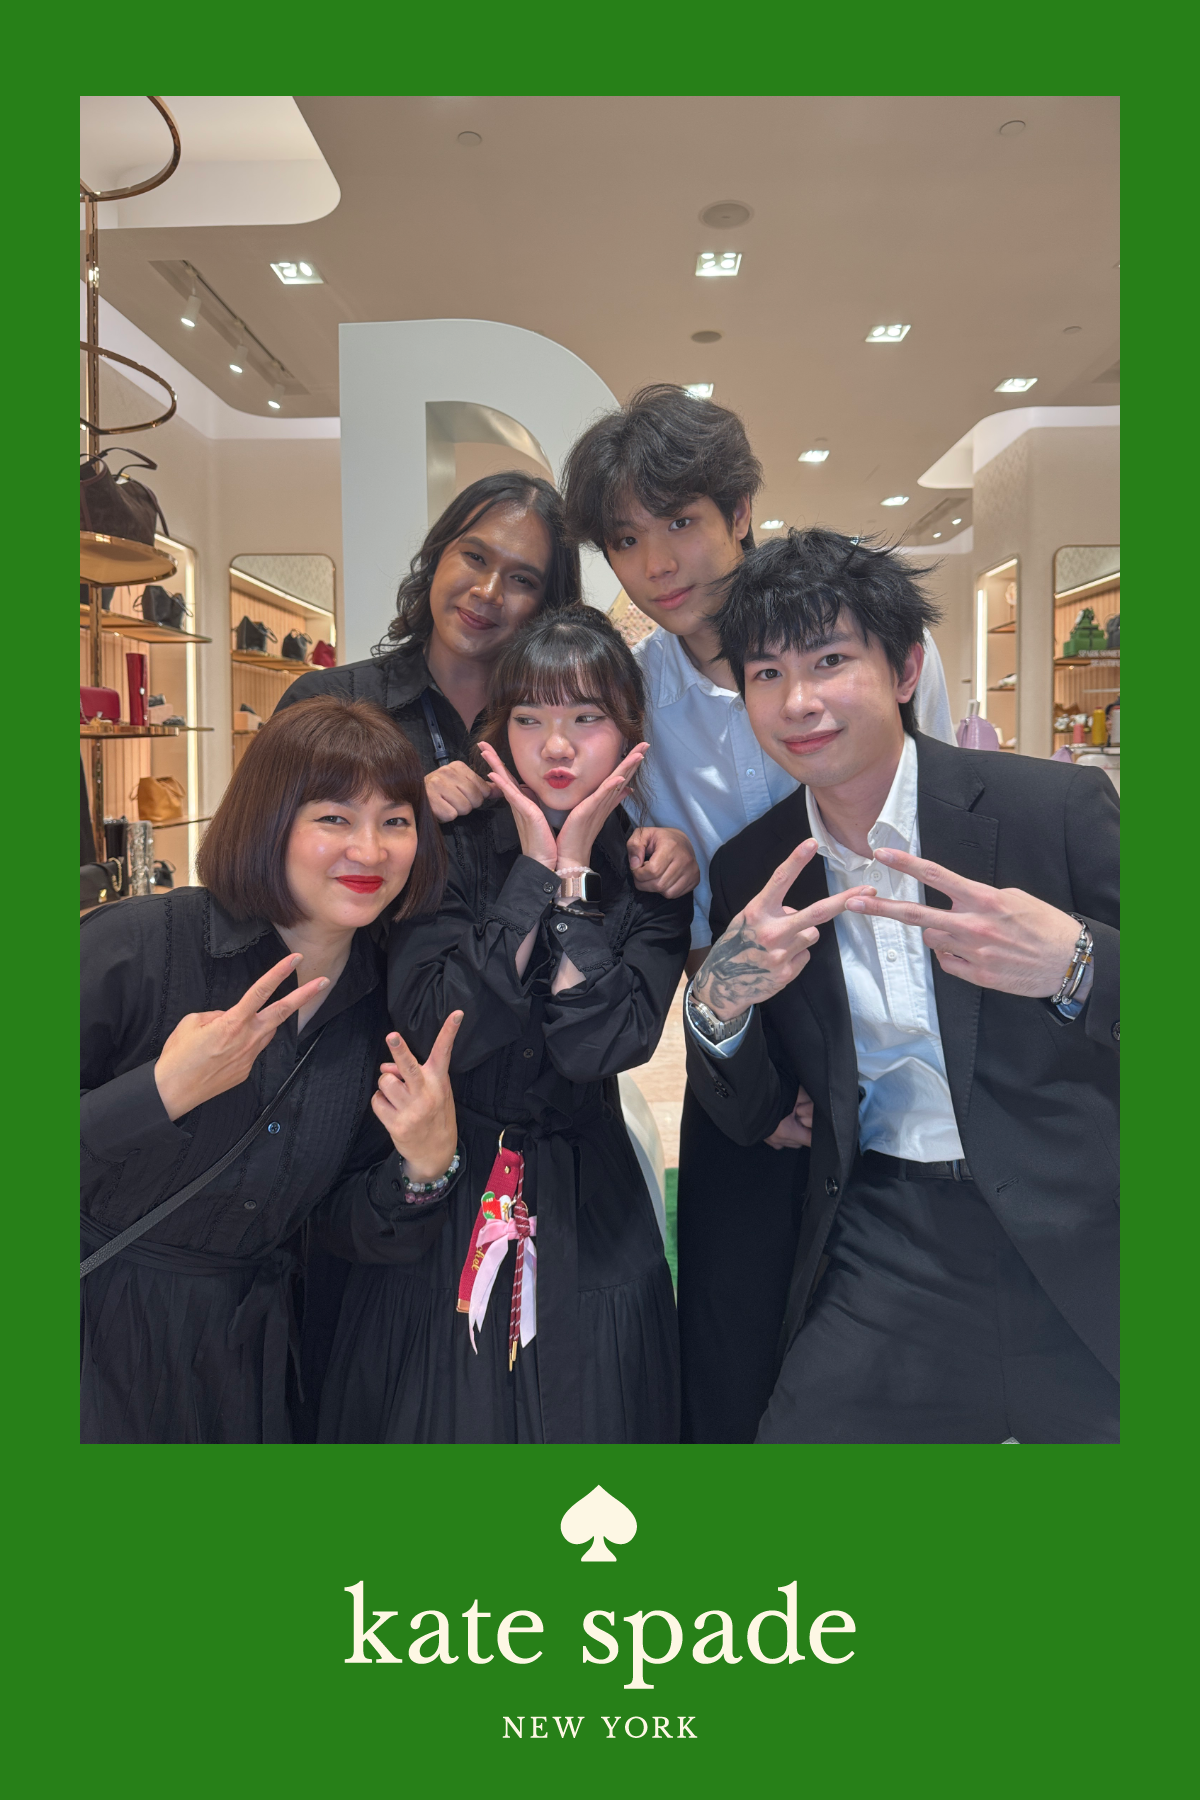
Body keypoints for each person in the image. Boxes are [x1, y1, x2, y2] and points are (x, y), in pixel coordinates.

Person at [561, 383, 959, 1443]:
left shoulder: (855, 643)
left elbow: (939, 821)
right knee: (733, 1343)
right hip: (744, 1031)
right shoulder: (633, 694)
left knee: (895, 1339)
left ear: (740, 512)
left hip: (892, 1017)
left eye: (681, 522)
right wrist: (751, 1075)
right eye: (625, 541)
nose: (658, 565)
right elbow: (676, 912)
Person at [684, 528, 1119, 1444]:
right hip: (890, 1240)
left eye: (830, 660)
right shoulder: (755, 869)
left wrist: (1077, 963)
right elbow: (755, 1108)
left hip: (1088, 1223)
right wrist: (717, 1005)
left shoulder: (1050, 810)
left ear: (906, 666)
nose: (798, 701)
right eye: (766, 674)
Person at [319, 608, 692, 1444]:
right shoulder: (443, 846)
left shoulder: (652, 871)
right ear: (498, 731)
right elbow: (439, 1023)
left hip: (589, 1198)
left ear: (629, 732)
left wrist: (573, 877)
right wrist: (531, 869)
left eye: (586, 718)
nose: (557, 746)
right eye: (529, 719)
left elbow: (600, 1044)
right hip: (446, 1178)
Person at [81, 698, 464, 1443]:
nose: (370, 850)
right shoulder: (145, 945)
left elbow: (338, 1226)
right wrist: (158, 1093)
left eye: (395, 821)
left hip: (246, 1360)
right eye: (334, 818)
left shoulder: (384, 1003)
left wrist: (425, 1166)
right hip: (93, 1332)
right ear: (269, 821)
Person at [278, 470, 697, 899]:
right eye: (475, 557)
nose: (488, 591)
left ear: (547, 605)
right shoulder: (325, 703)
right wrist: (402, 813)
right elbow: (264, 851)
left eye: (522, 580)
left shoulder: (556, 728)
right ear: (437, 555)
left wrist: (663, 844)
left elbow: (606, 827)